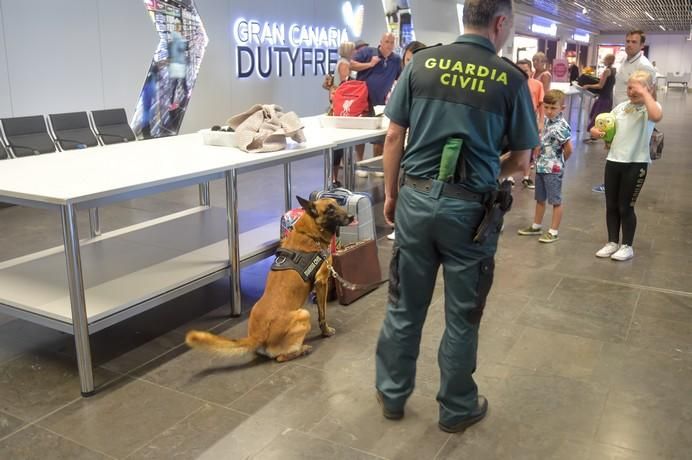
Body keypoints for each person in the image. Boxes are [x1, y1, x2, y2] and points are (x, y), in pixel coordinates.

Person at [376, 0, 537, 432]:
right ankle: (456, 406)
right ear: (500, 23)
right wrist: (486, 173)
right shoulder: (511, 79)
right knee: (462, 315)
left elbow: (393, 136)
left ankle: (392, 394)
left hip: (415, 200)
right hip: (471, 214)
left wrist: (391, 195)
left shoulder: (422, 64)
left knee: (404, 304)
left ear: (465, 18)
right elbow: (521, 161)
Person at [591, 70, 662, 261]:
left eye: (637, 88)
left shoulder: (650, 107)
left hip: (636, 164)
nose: (631, 91)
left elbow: (656, 116)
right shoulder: (621, 107)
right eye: (630, 87)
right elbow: (604, 126)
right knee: (611, 205)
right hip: (614, 161)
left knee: (625, 207)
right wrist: (596, 131)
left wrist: (646, 94)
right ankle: (612, 242)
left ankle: (627, 245)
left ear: (648, 89)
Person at [592, 30, 655, 193]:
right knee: (614, 148)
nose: (629, 44)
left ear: (642, 45)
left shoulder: (644, 65)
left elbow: (651, 94)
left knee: (627, 151)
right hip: (619, 112)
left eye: (634, 42)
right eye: (627, 41)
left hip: (634, 116)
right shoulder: (625, 61)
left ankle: (624, 186)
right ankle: (612, 184)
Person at [517, 90, 573, 243]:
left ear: (562, 108)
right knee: (540, 198)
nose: (549, 111)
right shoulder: (547, 122)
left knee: (555, 200)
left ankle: (553, 231)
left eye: (553, 108)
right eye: (546, 107)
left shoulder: (562, 126)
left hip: (553, 169)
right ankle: (536, 226)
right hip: (541, 167)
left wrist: (558, 163)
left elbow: (569, 149)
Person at [386, 40, 426, 241]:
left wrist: (389, 195)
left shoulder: (414, 83)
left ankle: (402, 227)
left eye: (413, 60)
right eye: (407, 60)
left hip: (414, 152)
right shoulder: (404, 81)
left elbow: (393, 135)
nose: (409, 64)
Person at [351, 33, 402, 177]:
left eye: (392, 42)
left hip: (381, 102)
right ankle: (359, 163)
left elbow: (399, 77)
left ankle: (376, 164)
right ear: (380, 42)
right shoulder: (368, 52)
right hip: (363, 100)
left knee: (379, 136)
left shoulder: (396, 60)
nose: (389, 45)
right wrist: (370, 64)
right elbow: (351, 65)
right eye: (387, 41)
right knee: (361, 134)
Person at [516, 58, 545, 189]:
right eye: (519, 70)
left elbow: (541, 104)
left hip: (530, 120)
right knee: (512, 148)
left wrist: (541, 122)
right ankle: (509, 177)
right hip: (515, 120)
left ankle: (526, 177)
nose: (522, 73)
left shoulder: (537, 84)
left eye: (525, 70)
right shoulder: (511, 84)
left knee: (529, 149)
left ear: (530, 70)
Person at [330, 41, 356, 186]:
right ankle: (334, 178)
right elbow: (346, 83)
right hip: (344, 102)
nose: (356, 52)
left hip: (345, 101)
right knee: (340, 145)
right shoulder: (344, 64)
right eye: (353, 50)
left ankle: (335, 177)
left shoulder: (345, 62)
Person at [583, 54, 616, 142]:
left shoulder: (607, 71)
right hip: (608, 97)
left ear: (608, 60)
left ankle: (595, 136)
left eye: (605, 59)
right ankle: (594, 136)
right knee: (597, 116)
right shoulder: (614, 70)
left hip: (604, 98)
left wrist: (588, 85)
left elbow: (600, 85)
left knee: (596, 117)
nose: (604, 61)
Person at [168, 22, 188, 110]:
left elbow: (169, 54)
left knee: (174, 85)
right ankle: (186, 95)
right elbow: (185, 48)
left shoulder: (171, 42)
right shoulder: (180, 41)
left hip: (174, 65)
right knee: (183, 82)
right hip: (180, 64)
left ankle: (171, 103)